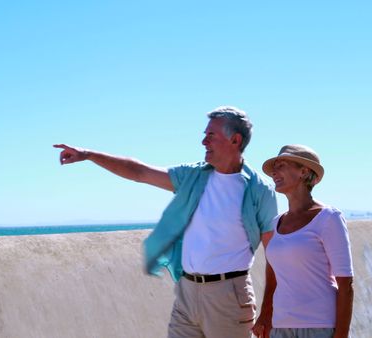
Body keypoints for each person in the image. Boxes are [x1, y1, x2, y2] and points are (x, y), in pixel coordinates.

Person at [54, 106, 278, 338]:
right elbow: (139, 172)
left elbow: (275, 255)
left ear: (235, 139)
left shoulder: (258, 190)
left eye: (211, 135)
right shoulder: (192, 176)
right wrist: (89, 154)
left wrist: (268, 311)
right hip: (186, 293)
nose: (203, 142)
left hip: (229, 297)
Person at [252, 145, 354, 338]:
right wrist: (265, 314)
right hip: (280, 327)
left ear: (303, 171)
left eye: (281, 165)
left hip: (319, 326)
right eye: (274, 167)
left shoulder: (329, 218)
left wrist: (341, 335)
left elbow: (346, 284)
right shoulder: (276, 223)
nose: (274, 172)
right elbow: (273, 272)